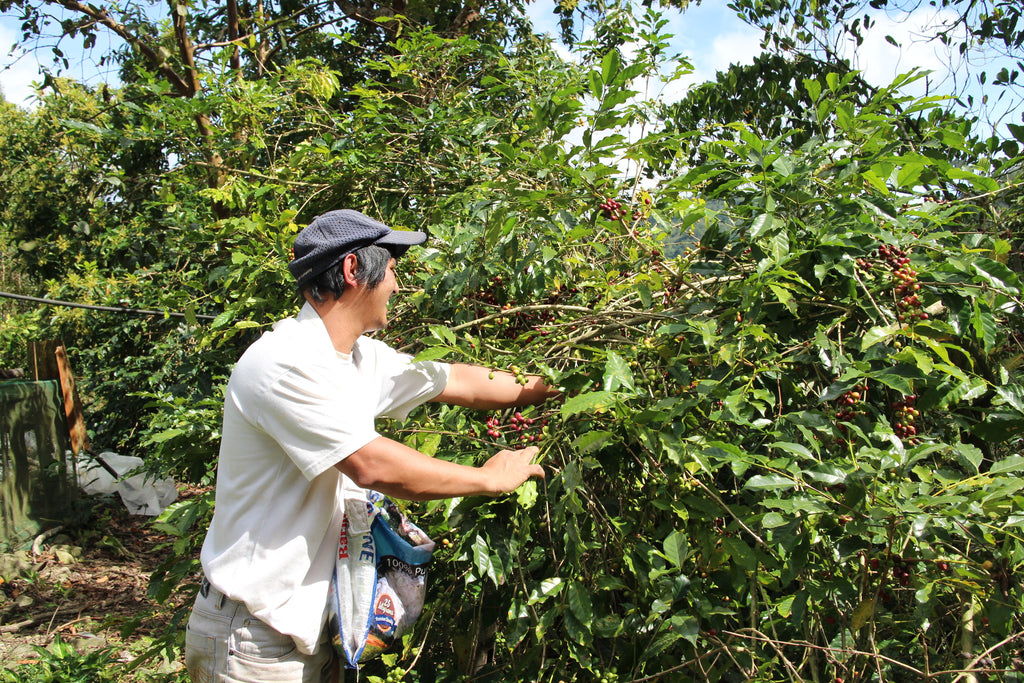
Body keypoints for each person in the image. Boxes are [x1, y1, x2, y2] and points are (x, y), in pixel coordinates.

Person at [185, 209, 557, 682]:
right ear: (352, 270)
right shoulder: (283, 363)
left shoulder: (359, 358)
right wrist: (489, 479)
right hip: (257, 638)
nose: (398, 286)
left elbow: (458, 380)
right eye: (394, 270)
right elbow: (372, 465)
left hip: (317, 627)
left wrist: (558, 387)